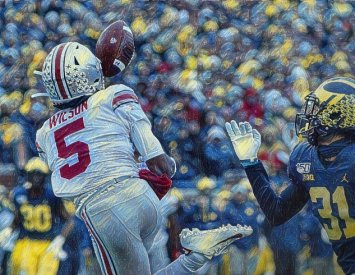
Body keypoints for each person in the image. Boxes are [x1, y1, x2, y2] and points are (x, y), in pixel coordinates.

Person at [34, 42, 252, 274]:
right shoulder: (113, 96)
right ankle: (195, 256)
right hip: (144, 198)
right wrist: (160, 159)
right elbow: (153, 154)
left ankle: (194, 257)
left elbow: (67, 158)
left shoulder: (44, 133)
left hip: (104, 211)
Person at [226, 77, 355, 274]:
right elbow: (276, 212)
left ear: (337, 116)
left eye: (317, 109)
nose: (309, 115)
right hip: (348, 265)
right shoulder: (306, 157)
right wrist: (250, 163)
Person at [8, 157, 74, 275]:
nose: (36, 178)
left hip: (47, 243)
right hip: (28, 243)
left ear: (45, 176)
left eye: (39, 175)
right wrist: (8, 230)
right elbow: (17, 219)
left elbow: (70, 220)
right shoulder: (19, 194)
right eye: (33, 174)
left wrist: (61, 238)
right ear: (28, 175)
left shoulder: (51, 195)